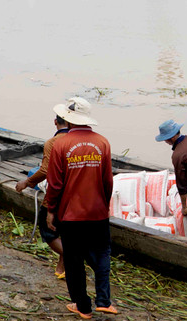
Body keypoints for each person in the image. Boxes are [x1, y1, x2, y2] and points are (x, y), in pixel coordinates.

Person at [45, 97, 117, 319]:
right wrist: (103, 205)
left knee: (74, 261)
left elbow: (55, 183)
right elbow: (108, 182)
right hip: (97, 213)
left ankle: (83, 307)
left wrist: (50, 209)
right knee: (103, 254)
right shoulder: (103, 142)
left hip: (71, 215)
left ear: (67, 118)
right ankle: (104, 301)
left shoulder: (60, 145)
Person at [14, 112, 69, 279]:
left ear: (55, 122)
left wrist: (27, 182)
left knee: (48, 233)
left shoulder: (53, 143)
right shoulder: (79, 141)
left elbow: (45, 170)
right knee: (65, 232)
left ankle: (72, 257)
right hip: (77, 197)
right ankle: (62, 267)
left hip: (58, 195)